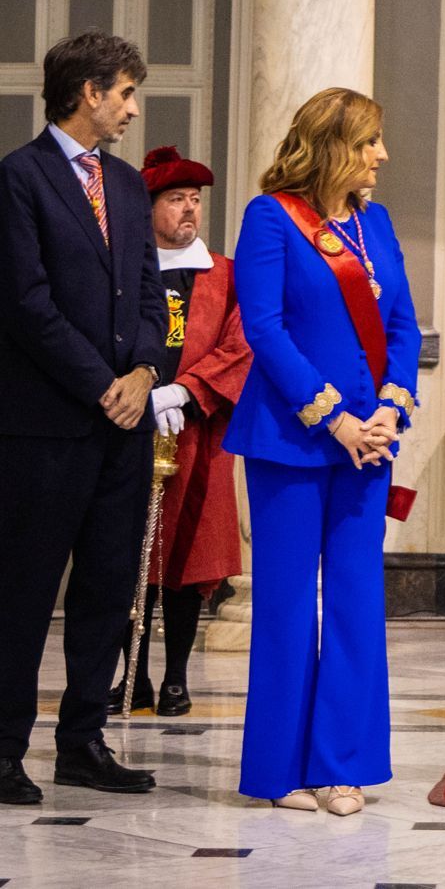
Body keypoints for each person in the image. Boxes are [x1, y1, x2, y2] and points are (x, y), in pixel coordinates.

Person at [224, 88, 421, 815]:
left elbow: (403, 325)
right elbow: (265, 329)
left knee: (355, 600)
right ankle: (280, 771)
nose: (382, 155)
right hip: (290, 440)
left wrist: (391, 408)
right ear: (334, 146)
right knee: (284, 605)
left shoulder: (377, 223)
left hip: (370, 443)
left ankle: (341, 766)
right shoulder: (269, 217)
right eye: (370, 142)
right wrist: (334, 419)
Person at [0, 31, 164, 804]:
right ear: (89, 93)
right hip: (45, 428)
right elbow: (25, 305)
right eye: (125, 93)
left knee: (106, 590)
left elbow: (152, 296)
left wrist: (145, 373)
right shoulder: (19, 178)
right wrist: (105, 384)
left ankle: (83, 744)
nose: (132, 108)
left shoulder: (128, 185)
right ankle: (4, 750)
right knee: (25, 592)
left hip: (123, 428)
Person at [106, 147, 250, 718]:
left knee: (188, 563)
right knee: (128, 557)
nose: (189, 209)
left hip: (199, 434)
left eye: (195, 199)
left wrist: (185, 391)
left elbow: (241, 346)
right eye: (175, 199)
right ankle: (134, 677)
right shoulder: (124, 269)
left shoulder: (226, 275)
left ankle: (175, 679)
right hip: (130, 427)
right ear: (148, 208)